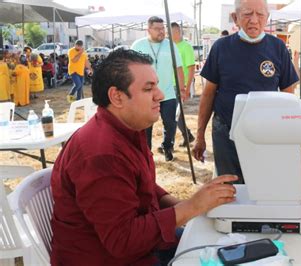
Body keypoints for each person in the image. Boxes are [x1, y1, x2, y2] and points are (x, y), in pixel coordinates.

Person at [50, 49, 237, 266]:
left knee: (219, 243)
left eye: (156, 85)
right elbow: (123, 241)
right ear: (117, 97)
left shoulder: (127, 128)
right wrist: (191, 208)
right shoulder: (101, 154)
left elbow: (143, 187)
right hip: (109, 258)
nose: (160, 95)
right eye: (149, 88)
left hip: (138, 248)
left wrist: (190, 205)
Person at [193, 0, 299, 184]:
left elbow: (287, 94)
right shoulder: (221, 47)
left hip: (264, 133)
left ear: (267, 18)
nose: (254, 20)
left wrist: (286, 135)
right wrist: (200, 135)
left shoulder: (278, 48)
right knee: (229, 186)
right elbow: (208, 94)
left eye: (260, 14)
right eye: (247, 14)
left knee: (261, 185)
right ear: (235, 18)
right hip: (226, 131)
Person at [132, 16, 185, 161]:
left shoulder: (170, 45)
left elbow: (178, 67)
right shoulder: (138, 45)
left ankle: (167, 147)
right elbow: (130, 69)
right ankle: (146, 152)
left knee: (170, 123)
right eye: (157, 29)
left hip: (167, 93)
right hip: (145, 95)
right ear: (148, 29)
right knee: (146, 125)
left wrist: (182, 88)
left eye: (163, 29)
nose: (161, 32)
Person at [171, 22, 196, 147]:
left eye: (171, 32)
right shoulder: (169, 46)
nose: (168, 34)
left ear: (178, 31)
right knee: (175, 114)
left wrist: (187, 88)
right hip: (168, 85)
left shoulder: (186, 47)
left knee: (174, 114)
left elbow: (191, 69)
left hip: (179, 86)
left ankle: (169, 143)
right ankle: (188, 135)